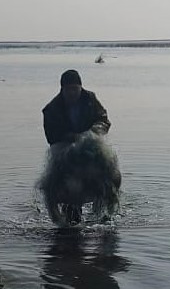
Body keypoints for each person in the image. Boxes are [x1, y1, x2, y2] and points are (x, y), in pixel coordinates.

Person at [41, 70, 115, 225]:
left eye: (76, 88)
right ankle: (69, 213)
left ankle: (105, 208)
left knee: (109, 169)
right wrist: (72, 137)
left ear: (81, 87)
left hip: (90, 144)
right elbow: (51, 136)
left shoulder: (90, 98)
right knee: (63, 179)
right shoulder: (51, 108)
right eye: (69, 89)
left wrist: (94, 131)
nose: (73, 93)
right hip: (65, 147)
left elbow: (103, 119)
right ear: (62, 89)